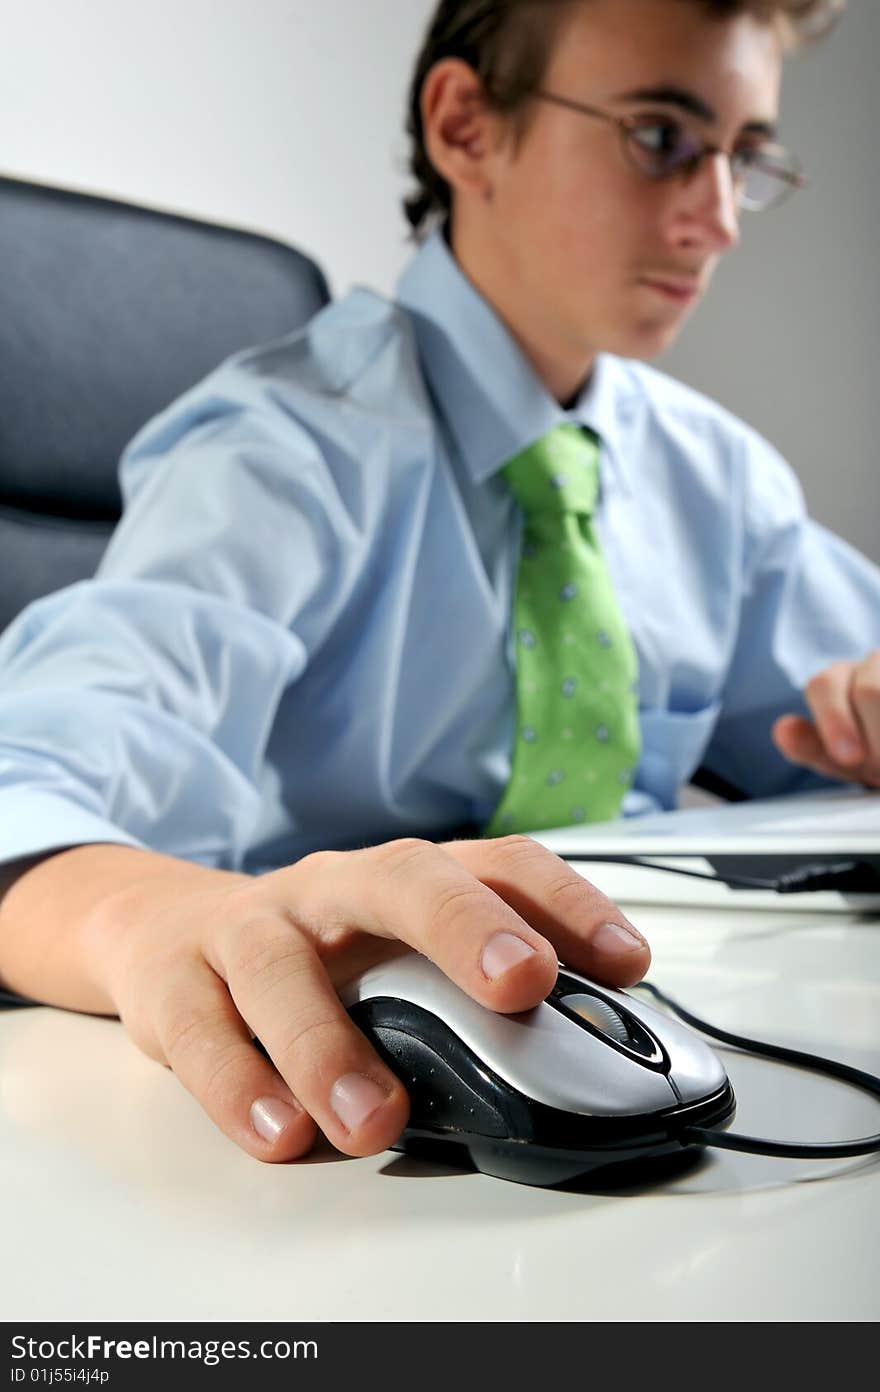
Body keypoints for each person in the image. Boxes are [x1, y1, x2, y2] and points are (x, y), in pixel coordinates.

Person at [0, 0, 877, 1167]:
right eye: (662, 136)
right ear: (467, 126)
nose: (715, 219)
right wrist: (166, 919)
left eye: (745, 157)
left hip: (656, 1029)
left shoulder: (715, 480)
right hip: (343, 1125)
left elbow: (836, 704)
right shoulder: (284, 448)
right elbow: (26, 787)